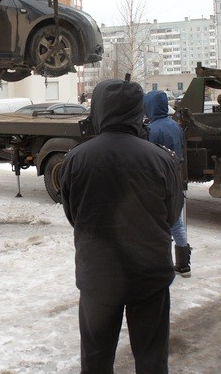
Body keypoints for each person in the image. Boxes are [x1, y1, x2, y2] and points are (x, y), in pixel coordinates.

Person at [60, 78, 183, 373]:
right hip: (149, 273)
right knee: (152, 359)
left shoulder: (76, 158)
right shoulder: (160, 159)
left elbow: (72, 214)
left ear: (99, 109)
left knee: (96, 359)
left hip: (98, 275)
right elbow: (172, 212)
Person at [143, 89, 191, 277]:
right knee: (176, 221)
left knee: (157, 222)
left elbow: (148, 158)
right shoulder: (175, 126)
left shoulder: (152, 130)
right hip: (175, 178)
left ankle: (161, 263)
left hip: (157, 180)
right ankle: (183, 263)